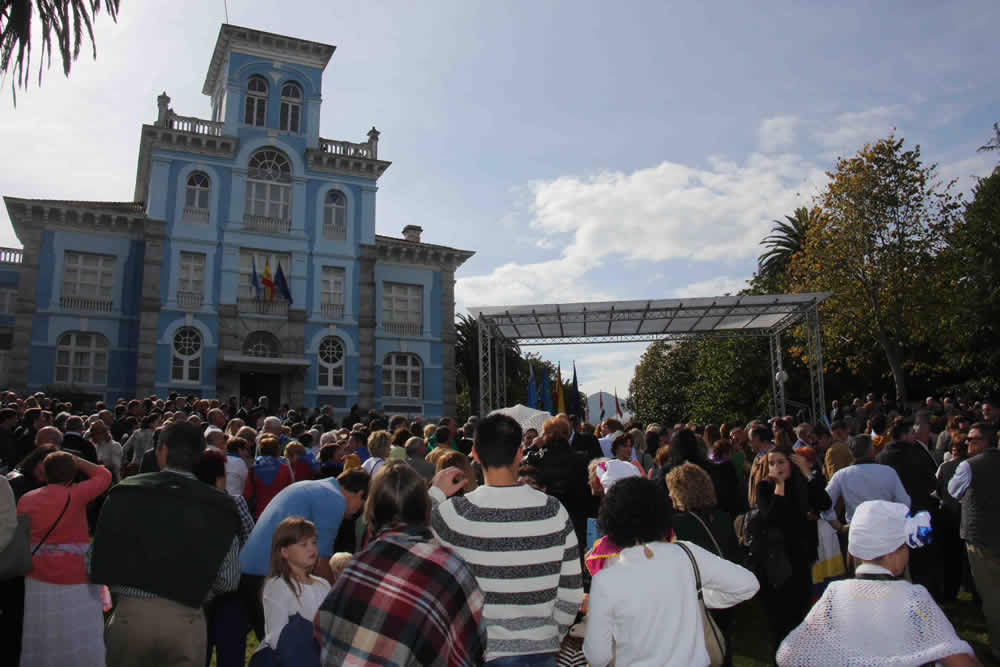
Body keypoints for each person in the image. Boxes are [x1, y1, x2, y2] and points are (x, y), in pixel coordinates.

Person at [430, 413, 583, 666]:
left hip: (479, 652)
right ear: (520, 453)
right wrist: (549, 636)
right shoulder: (553, 511)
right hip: (541, 652)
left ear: (475, 454)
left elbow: (405, 536)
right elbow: (571, 591)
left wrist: (435, 492)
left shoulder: (454, 514)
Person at [91, 421, 242, 667]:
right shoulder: (220, 505)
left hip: (132, 615)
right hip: (187, 616)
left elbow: (96, 560)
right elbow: (229, 579)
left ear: (161, 450)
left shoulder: (125, 493)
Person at [315, 461, 486, 666]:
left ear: (371, 510)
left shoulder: (357, 565)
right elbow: (472, 641)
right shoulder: (449, 567)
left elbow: (324, 626)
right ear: (425, 509)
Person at [583, 476, 759, 667]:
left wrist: (691, 594)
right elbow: (747, 584)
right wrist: (690, 595)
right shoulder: (686, 553)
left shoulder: (606, 579)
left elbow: (597, 657)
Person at [777, 500, 977, 666]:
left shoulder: (834, 593)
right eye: (905, 547)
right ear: (893, 552)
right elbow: (958, 659)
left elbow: (788, 654)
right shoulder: (914, 597)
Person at [240, 469, 369, 640]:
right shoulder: (335, 499)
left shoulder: (315, 487)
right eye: (362, 506)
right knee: (282, 642)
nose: (356, 512)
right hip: (268, 574)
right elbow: (320, 562)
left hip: (249, 567)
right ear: (360, 494)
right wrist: (337, 602)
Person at [17, 451, 111, 666]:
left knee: (42, 630)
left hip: (37, 575)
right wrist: (77, 461)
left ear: (45, 472)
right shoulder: (77, 495)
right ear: (72, 473)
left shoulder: (26, 499)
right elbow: (104, 476)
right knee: (78, 631)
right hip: (75, 576)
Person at [749, 445, 832, 652]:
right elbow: (772, 516)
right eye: (771, 463)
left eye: (781, 462)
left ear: (792, 463)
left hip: (800, 560)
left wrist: (807, 474)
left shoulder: (801, 484)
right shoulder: (764, 487)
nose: (776, 467)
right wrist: (779, 486)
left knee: (801, 617)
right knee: (780, 622)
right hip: (775, 565)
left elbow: (824, 503)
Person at [948, 421, 1000, 661]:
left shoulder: (968, 466)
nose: (967, 442)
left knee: (992, 595)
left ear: (985, 441)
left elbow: (953, 491)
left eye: (973, 439)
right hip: (987, 534)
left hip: (981, 538)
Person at [249, 517, 330, 667]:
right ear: (284, 551)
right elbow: (276, 637)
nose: (311, 548)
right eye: (303, 544)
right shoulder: (277, 585)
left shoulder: (323, 585)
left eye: (313, 542)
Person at [821, 434, 911, 530]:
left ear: (851, 452)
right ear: (871, 451)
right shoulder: (889, 472)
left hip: (857, 529)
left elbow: (823, 502)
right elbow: (905, 502)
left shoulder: (842, 475)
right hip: (886, 528)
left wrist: (838, 526)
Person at [244, 434, 294, 518]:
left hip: (258, 512)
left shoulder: (253, 469)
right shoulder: (284, 468)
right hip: (280, 511)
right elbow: (289, 491)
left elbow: (247, 493)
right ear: (277, 451)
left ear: (261, 450)